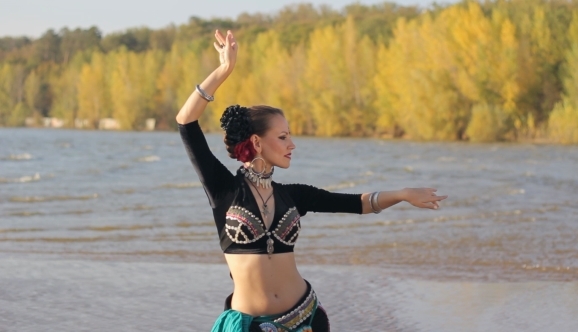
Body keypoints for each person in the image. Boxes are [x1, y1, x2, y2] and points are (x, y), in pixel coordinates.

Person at [176, 30, 448, 332]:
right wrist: (224, 70)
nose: (292, 144)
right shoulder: (224, 190)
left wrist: (403, 193)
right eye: (283, 137)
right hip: (250, 325)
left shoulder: (295, 195)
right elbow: (186, 123)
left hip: (306, 319)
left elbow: (355, 203)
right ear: (257, 141)